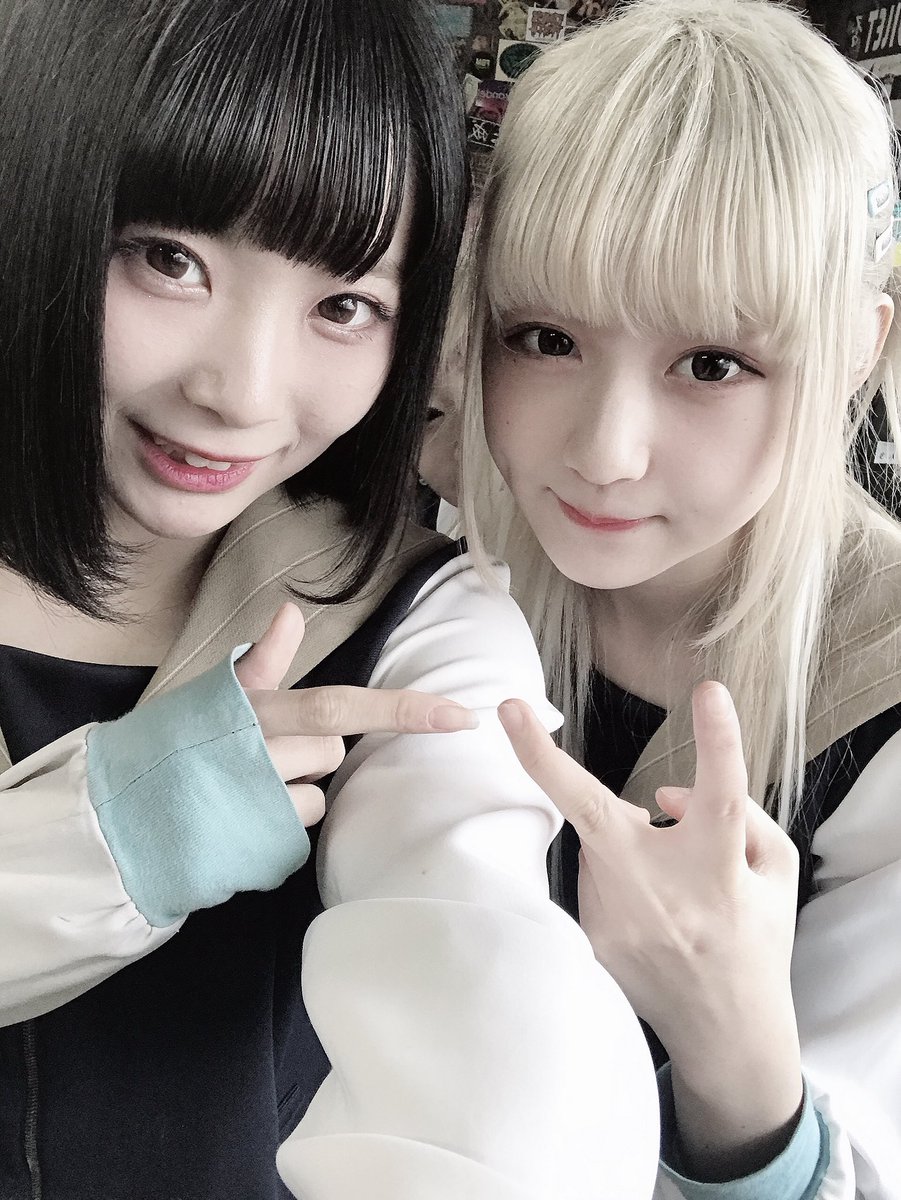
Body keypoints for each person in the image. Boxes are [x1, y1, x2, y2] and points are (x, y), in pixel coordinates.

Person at [0, 1, 660, 1197]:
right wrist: (115, 840)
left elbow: (483, 998)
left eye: (343, 305)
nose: (242, 392)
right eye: (169, 259)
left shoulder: (413, 627)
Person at [457, 1, 901, 1196]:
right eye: (544, 338)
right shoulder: (445, 573)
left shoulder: (880, 694)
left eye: (713, 364)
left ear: (853, 352)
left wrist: (731, 1051)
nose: (605, 454)